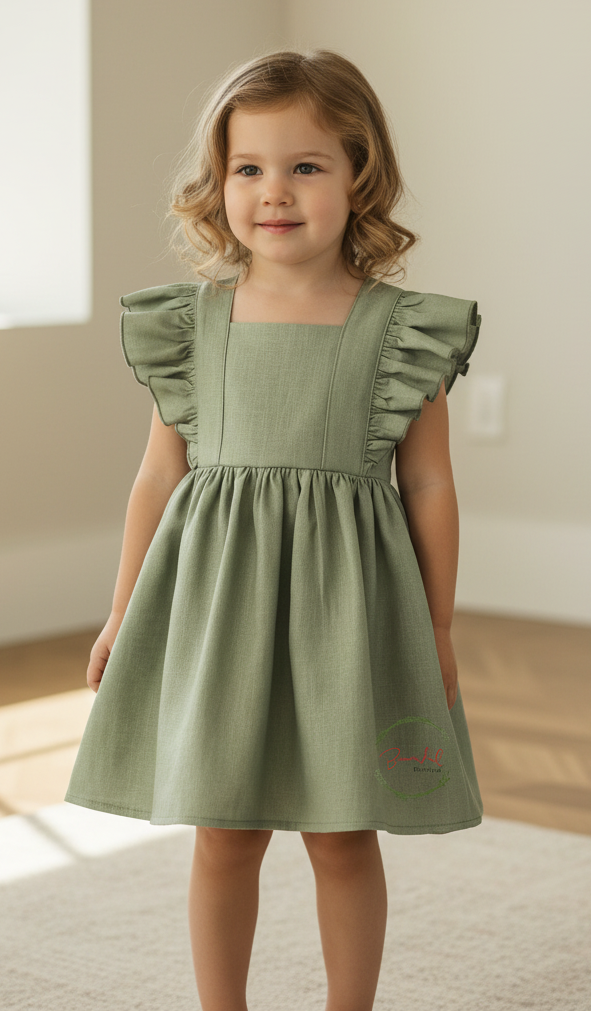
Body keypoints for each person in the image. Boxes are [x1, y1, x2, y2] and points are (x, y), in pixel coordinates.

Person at [66, 48, 483, 1012]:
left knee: (342, 832)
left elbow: (428, 485)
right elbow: (157, 477)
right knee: (226, 830)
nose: (274, 193)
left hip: (350, 613)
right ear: (219, 186)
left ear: (358, 175)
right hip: (217, 610)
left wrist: (441, 626)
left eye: (305, 167)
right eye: (248, 169)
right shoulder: (193, 324)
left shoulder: (400, 331)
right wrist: (122, 612)